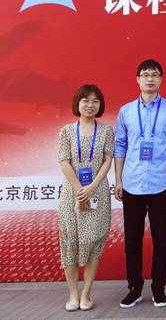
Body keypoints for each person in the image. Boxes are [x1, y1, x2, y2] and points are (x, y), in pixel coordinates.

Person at [114, 59, 166, 308]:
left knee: (161, 238)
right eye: (145, 74)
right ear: (137, 79)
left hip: (161, 182)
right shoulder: (126, 111)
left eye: (154, 74)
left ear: (161, 79)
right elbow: (120, 146)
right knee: (132, 239)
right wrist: (118, 180)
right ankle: (134, 288)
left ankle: (158, 288)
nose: (150, 79)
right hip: (132, 183)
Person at [58, 84, 114, 312]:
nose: (90, 105)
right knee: (69, 242)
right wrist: (79, 189)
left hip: (97, 192)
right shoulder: (66, 131)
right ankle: (73, 294)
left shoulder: (106, 130)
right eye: (85, 101)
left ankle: (86, 293)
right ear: (77, 103)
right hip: (71, 193)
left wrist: (91, 187)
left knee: (93, 242)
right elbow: (64, 161)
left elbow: (107, 160)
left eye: (95, 101)